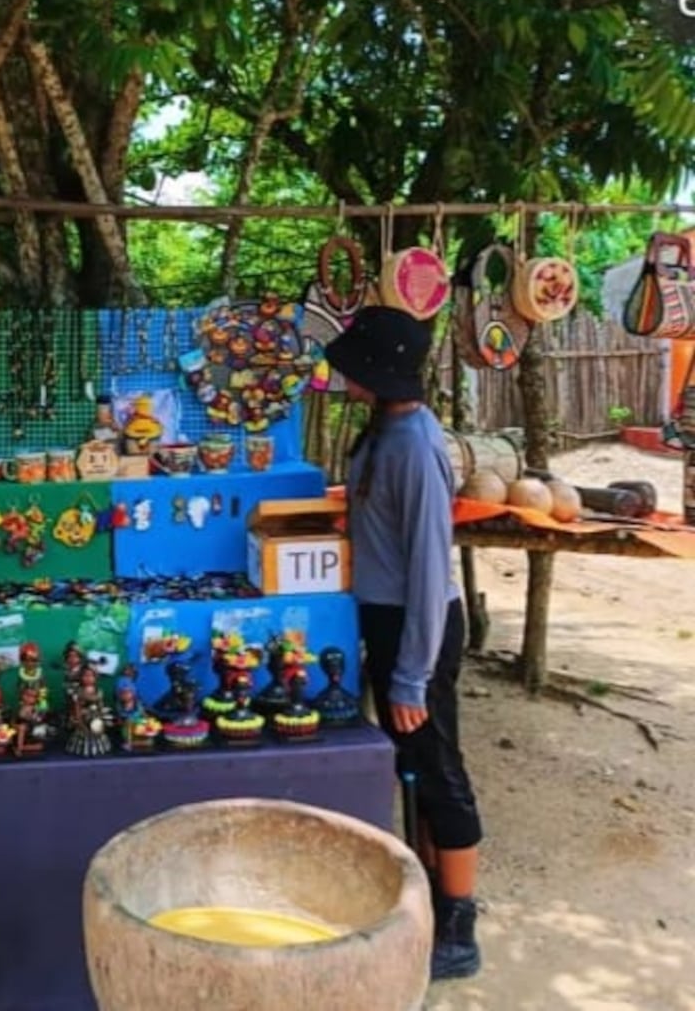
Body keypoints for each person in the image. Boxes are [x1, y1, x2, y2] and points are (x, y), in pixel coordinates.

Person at [325, 305, 483, 982]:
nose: (345, 380)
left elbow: (426, 568)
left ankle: (461, 920)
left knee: (438, 765)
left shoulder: (415, 447)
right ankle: (426, 887)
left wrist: (412, 675)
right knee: (411, 760)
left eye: (355, 370)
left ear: (378, 376)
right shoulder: (384, 430)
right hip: (387, 620)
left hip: (419, 624)